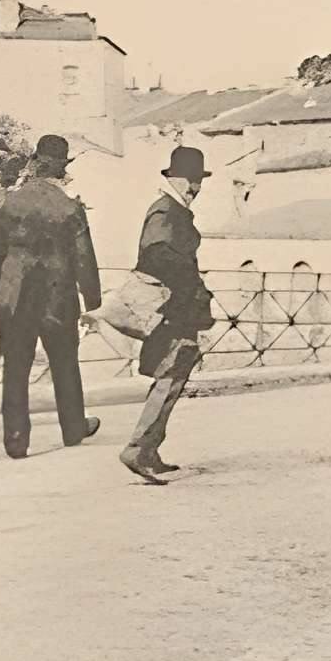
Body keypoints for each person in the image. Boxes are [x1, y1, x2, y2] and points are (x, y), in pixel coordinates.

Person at [0, 132, 103, 459]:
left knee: (16, 368)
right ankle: (73, 427)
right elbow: (83, 257)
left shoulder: (12, 203)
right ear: (61, 169)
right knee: (65, 362)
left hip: (17, 295)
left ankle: (16, 440)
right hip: (57, 294)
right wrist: (93, 299)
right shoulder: (69, 208)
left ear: (35, 163)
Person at [122, 145, 215, 484]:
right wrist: (189, 287)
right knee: (171, 375)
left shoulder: (173, 210)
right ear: (173, 178)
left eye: (198, 180)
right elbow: (156, 255)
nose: (195, 187)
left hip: (179, 306)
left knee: (175, 375)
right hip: (171, 308)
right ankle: (138, 448)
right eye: (190, 180)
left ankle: (149, 449)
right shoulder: (165, 211)